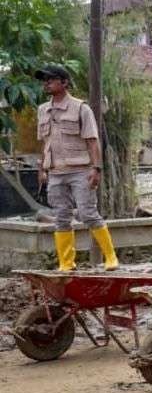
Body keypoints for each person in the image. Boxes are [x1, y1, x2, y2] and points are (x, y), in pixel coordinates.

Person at [34, 64, 120, 271]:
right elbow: (43, 143)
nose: (46, 83)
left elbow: (92, 141)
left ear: (64, 82)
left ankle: (111, 258)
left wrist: (96, 169)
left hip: (80, 170)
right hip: (55, 172)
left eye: (51, 79)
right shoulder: (43, 110)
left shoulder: (81, 108)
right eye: (44, 80)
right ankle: (66, 263)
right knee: (61, 217)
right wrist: (41, 169)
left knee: (88, 213)